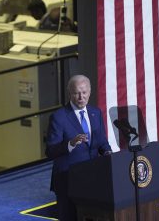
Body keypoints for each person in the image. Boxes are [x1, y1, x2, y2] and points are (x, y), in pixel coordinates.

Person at [46, 75, 112, 221]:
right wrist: (71, 143)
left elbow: (102, 142)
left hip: (93, 179)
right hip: (68, 181)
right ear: (70, 93)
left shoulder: (96, 113)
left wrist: (108, 152)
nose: (81, 97)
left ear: (90, 92)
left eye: (84, 92)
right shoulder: (59, 117)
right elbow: (50, 151)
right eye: (77, 93)